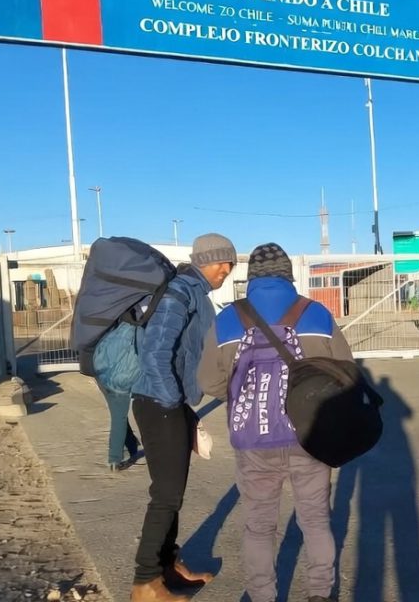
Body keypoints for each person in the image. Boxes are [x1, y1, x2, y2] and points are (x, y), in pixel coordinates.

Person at [201, 243, 353, 602]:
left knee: (259, 526)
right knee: (315, 521)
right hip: (310, 435)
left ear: (250, 278)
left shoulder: (227, 319)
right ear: (289, 275)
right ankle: (319, 594)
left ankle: (262, 596)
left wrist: (246, 398)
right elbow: (347, 371)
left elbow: (207, 381)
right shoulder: (315, 313)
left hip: (253, 441)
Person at [130, 233, 236, 602]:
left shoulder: (193, 293)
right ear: (204, 260)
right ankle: (145, 583)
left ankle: (167, 566)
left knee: (173, 493)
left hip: (169, 403)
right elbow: (155, 353)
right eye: (222, 262)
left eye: (231, 263)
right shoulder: (179, 293)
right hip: (158, 403)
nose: (227, 269)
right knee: (166, 495)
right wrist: (173, 402)